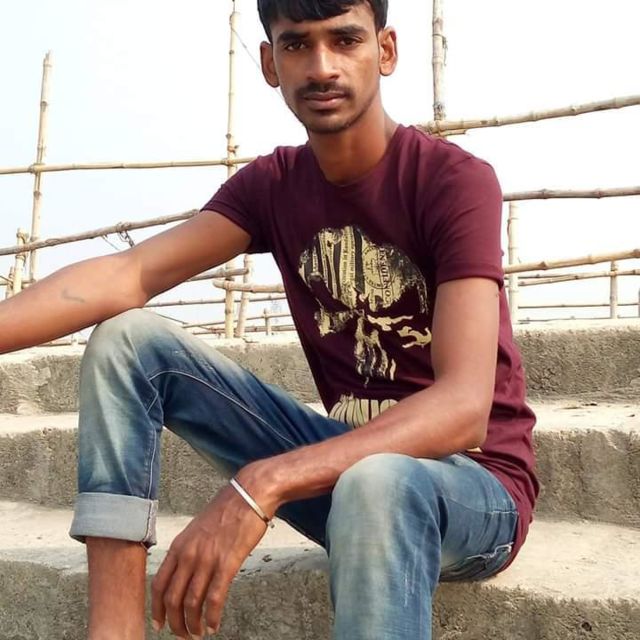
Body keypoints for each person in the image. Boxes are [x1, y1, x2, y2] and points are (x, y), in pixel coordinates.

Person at [0, 1, 538, 638]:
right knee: (128, 342)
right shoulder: (274, 184)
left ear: (386, 51)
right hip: (342, 470)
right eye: (297, 45)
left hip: (472, 489)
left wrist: (265, 481)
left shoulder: (451, 180)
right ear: (269, 62)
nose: (322, 67)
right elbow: (129, 274)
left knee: (378, 483)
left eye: (345, 40)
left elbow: (464, 408)